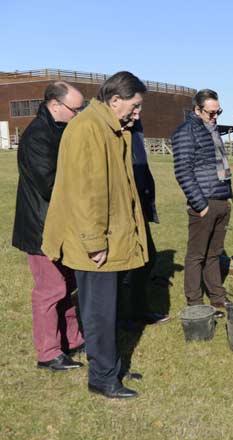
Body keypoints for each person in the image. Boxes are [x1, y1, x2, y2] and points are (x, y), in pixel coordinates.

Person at [42, 71, 149, 399]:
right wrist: (94, 242)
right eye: (135, 105)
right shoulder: (89, 128)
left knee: (110, 309)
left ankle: (111, 366)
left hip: (109, 237)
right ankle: (102, 378)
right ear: (115, 100)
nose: (137, 112)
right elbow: (86, 192)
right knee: (100, 312)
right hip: (96, 242)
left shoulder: (111, 128)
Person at [12, 81, 85, 371]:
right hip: (41, 226)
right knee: (50, 289)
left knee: (67, 286)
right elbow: (50, 184)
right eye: (75, 109)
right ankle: (48, 352)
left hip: (61, 224)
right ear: (55, 105)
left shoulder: (61, 129)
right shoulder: (37, 137)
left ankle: (73, 339)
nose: (78, 115)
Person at [172, 89, 233, 318]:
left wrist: (225, 199)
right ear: (197, 110)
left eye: (218, 112)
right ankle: (195, 302)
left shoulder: (213, 130)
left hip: (221, 198)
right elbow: (182, 171)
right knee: (197, 254)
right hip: (204, 202)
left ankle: (218, 297)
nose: (215, 117)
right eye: (210, 113)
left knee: (214, 253)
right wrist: (200, 204)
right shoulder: (186, 132)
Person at [118, 119, 169, 325]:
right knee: (123, 266)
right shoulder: (111, 131)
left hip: (139, 203)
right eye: (135, 107)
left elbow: (140, 165)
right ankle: (123, 315)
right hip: (122, 207)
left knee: (148, 257)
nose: (138, 113)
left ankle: (137, 310)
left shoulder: (136, 128)